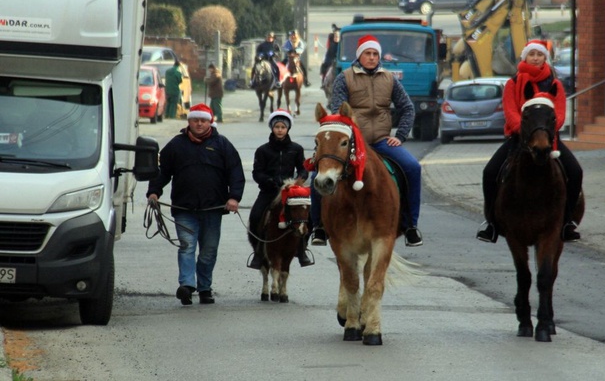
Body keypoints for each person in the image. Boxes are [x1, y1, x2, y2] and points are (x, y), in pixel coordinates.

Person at [310, 34, 423, 247]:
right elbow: (338, 112)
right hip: (352, 143)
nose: (371, 58)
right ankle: (318, 227)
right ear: (359, 55)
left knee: (413, 168)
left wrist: (399, 136)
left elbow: (407, 107)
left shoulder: (389, 78)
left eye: (375, 54)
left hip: (381, 141)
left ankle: (410, 226)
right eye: (367, 53)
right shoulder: (345, 77)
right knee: (316, 174)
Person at [476, 40, 583, 243]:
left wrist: (547, 132)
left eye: (539, 54)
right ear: (525, 57)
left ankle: (567, 221)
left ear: (545, 58)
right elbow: (510, 112)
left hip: (549, 140)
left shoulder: (554, 83)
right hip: (520, 139)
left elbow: (559, 113)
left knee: (576, 172)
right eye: (531, 54)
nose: (535, 58)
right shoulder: (513, 83)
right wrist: (528, 133)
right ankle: (491, 223)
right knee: (490, 172)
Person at [146, 103, 245, 305]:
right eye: (195, 120)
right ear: (189, 121)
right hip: (184, 209)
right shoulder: (176, 145)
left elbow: (235, 172)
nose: (199, 124)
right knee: (187, 246)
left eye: (203, 120)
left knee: (208, 251)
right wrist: (154, 191)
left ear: (210, 122)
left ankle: (205, 288)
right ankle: (187, 286)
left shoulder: (222, 144)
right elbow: (162, 171)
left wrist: (234, 197)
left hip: (213, 209)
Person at [248, 109, 313, 269]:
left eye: (283, 127)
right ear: (272, 128)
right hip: (269, 191)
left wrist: (300, 179)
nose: (280, 130)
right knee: (256, 216)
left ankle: (302, 249)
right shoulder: (263, 150)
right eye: (277, 126)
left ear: (288, 129)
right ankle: (258, 252)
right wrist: (269, 180)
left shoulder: (296, 149)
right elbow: (257, 173)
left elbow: (303, 168)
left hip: (291, 192)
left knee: (308, 217)